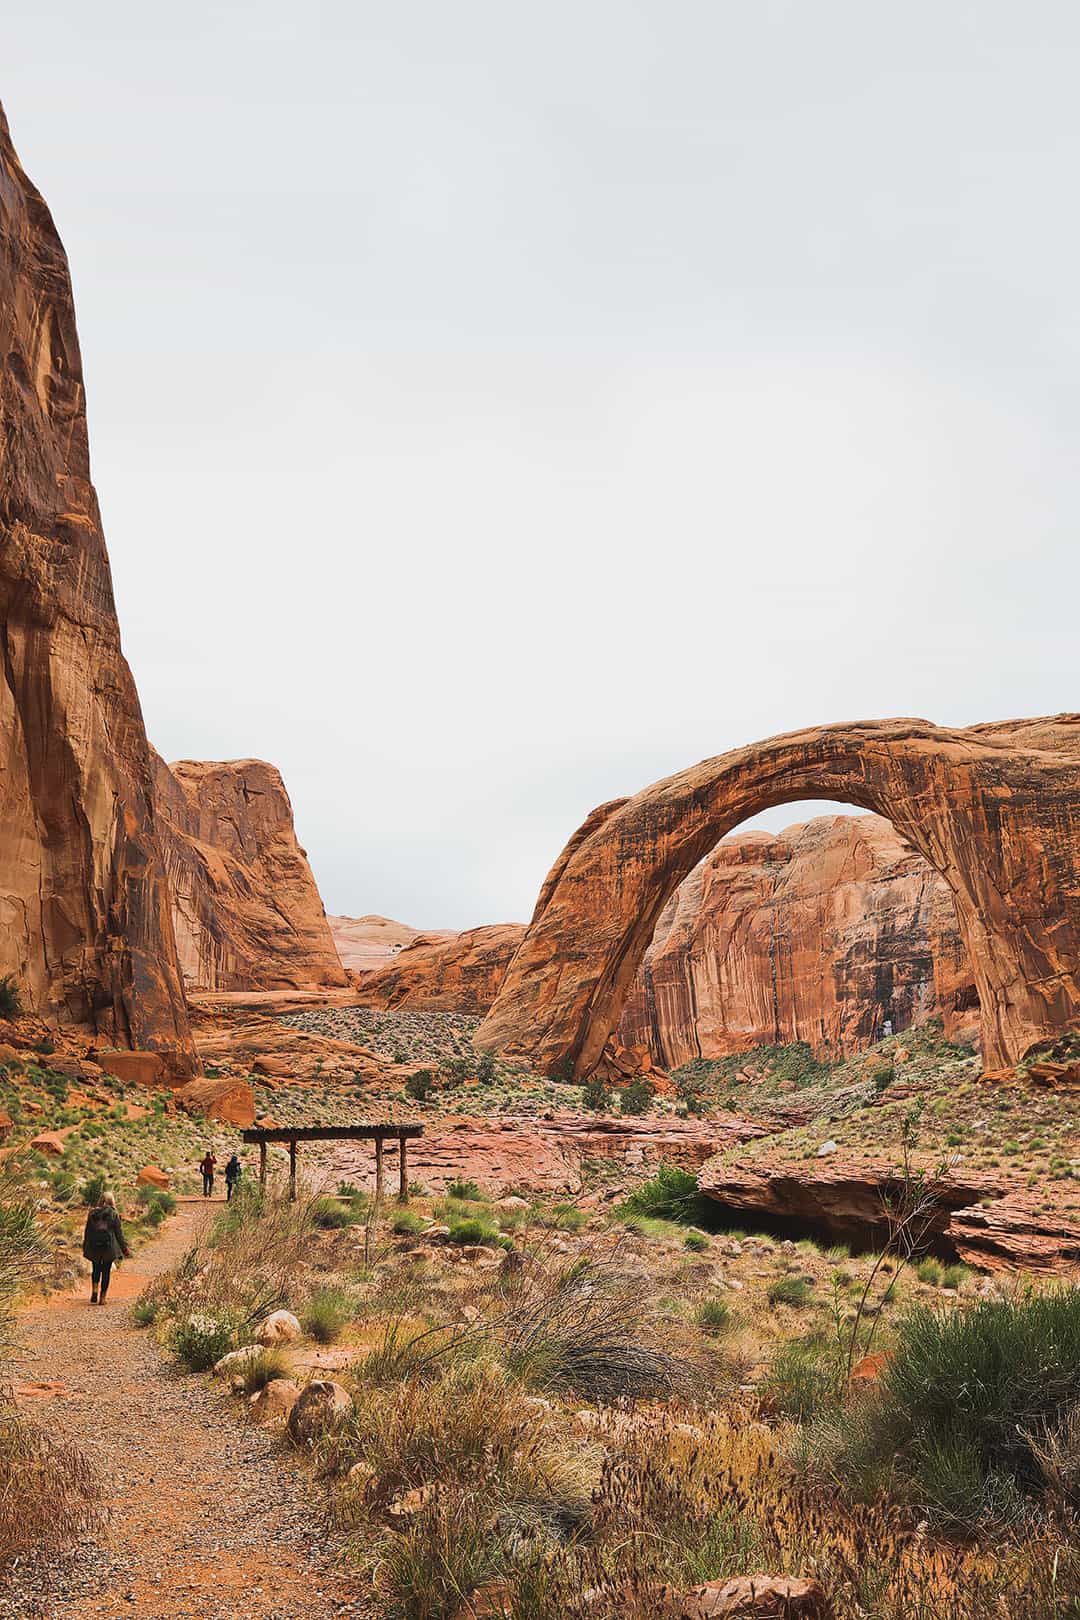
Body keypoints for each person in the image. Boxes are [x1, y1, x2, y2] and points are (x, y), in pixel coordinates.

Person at [82, 1191, 130, 1305]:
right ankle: (102, 1298)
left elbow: (87, 1231)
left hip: (94, 1246)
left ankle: (94, 1290)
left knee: (96, 1269)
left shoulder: (92, 1213)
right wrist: (124, 1249)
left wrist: (86, 1246)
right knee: (106, 1272)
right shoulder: (114, 1214)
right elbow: (119, 1234)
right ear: (111, 1201)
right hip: (109, 1247)